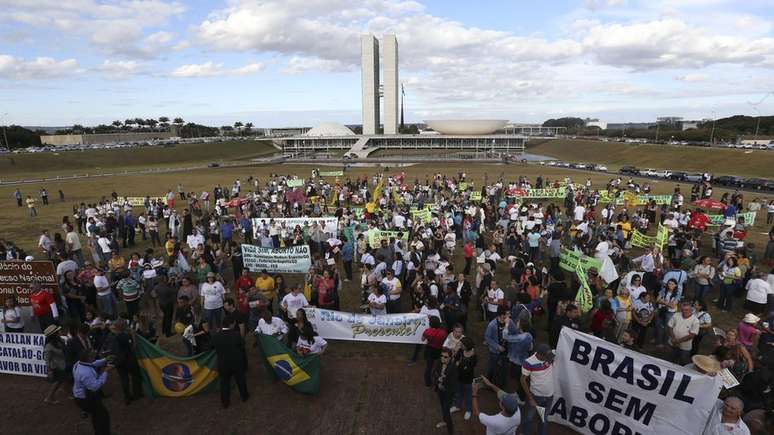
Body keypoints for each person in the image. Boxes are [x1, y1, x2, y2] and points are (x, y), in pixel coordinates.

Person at [210, 314, 249, 408]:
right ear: (232, 324)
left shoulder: (216, 336)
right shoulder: (236, 335)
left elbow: (211, 347)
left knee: (224, 383)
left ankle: (225, 402)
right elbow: (242, 344)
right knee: (240, 380)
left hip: (223, 363)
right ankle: (244, 396)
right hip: (236, 362)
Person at [72, 349, 113, 435]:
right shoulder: (85, 373)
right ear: (88, 358)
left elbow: (93, 363)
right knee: (102, 417)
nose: (95, 356)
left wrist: (105, 360)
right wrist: (105, 371)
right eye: (93, 356)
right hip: (85, 398)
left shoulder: (79, 363)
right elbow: (95, 386)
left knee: (97, 416)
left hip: (82, 395)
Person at [520, 344, 555, 435]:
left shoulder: (551, 356)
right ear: (539, 355)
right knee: (528, 418)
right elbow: (522, 380)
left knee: (544, 419)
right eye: (546, 357)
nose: (549, 359)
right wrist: (530, 398)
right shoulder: (528, 362)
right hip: (535, 396)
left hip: (549, 396)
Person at [106, 319, 142, 405]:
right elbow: (133, 346)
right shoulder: (125, 336)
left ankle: (127, 397)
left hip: (118, 361)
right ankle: (137, 393)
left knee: (124, 379)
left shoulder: (111, 337)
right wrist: (133, 335)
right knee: (135, 376)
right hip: (129, 360)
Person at [485, 307, 516, 389]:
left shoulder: (510, 322)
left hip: (506, 351)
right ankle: (489, 384)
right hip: (495, 352)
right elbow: (487, 338)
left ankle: (501, 386)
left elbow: (514, 332)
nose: (509, 315)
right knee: (493, 368)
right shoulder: (492, 324)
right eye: (507, 313)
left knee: (504, 369)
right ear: (502, 315)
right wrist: (497, 346)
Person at [432, 347, 457, 434]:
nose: (443, 358)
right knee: (443, 408)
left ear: (450, 358)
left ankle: (451, 431)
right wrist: (438, 379)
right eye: (441, 356)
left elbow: (453, 383)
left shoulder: (453, 367)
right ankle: (444, 421)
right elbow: (434, 373)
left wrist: (444, 380)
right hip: (440, 391)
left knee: (446, 411)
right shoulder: (439, 362)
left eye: (445, 357)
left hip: (448, 393)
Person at [452, 336, 476, 420]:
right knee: (458, 392)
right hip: (459, 377)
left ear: (467, 345)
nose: (460, 345)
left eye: (462, 344)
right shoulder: (461, 351)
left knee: (468, 395)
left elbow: (469, 368)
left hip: (468, 379)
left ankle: (468, 410)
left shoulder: (473, 355)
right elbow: (455, 360)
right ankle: (457, 406)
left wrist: (459, 365)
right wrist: (459, 364)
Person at [43, 324, 67, 404]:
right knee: (57, 382)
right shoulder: (49, 346)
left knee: (60, 381)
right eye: (58, 331)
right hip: (56, 367)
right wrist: (49, 370)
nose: (60, 331)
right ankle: (49, 397)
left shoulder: (60, 341)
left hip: (62, 365)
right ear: (54, 334)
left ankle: (52, 396)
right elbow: (47, 359)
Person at [422, 315, 448, 387]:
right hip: (439, 350)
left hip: (430, 350)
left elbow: (422, 339)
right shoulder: (443, 332)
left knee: (429, 367)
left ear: (430, 323)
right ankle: (438, 380)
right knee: (438, 366)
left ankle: (428, 382)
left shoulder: (427, 331)